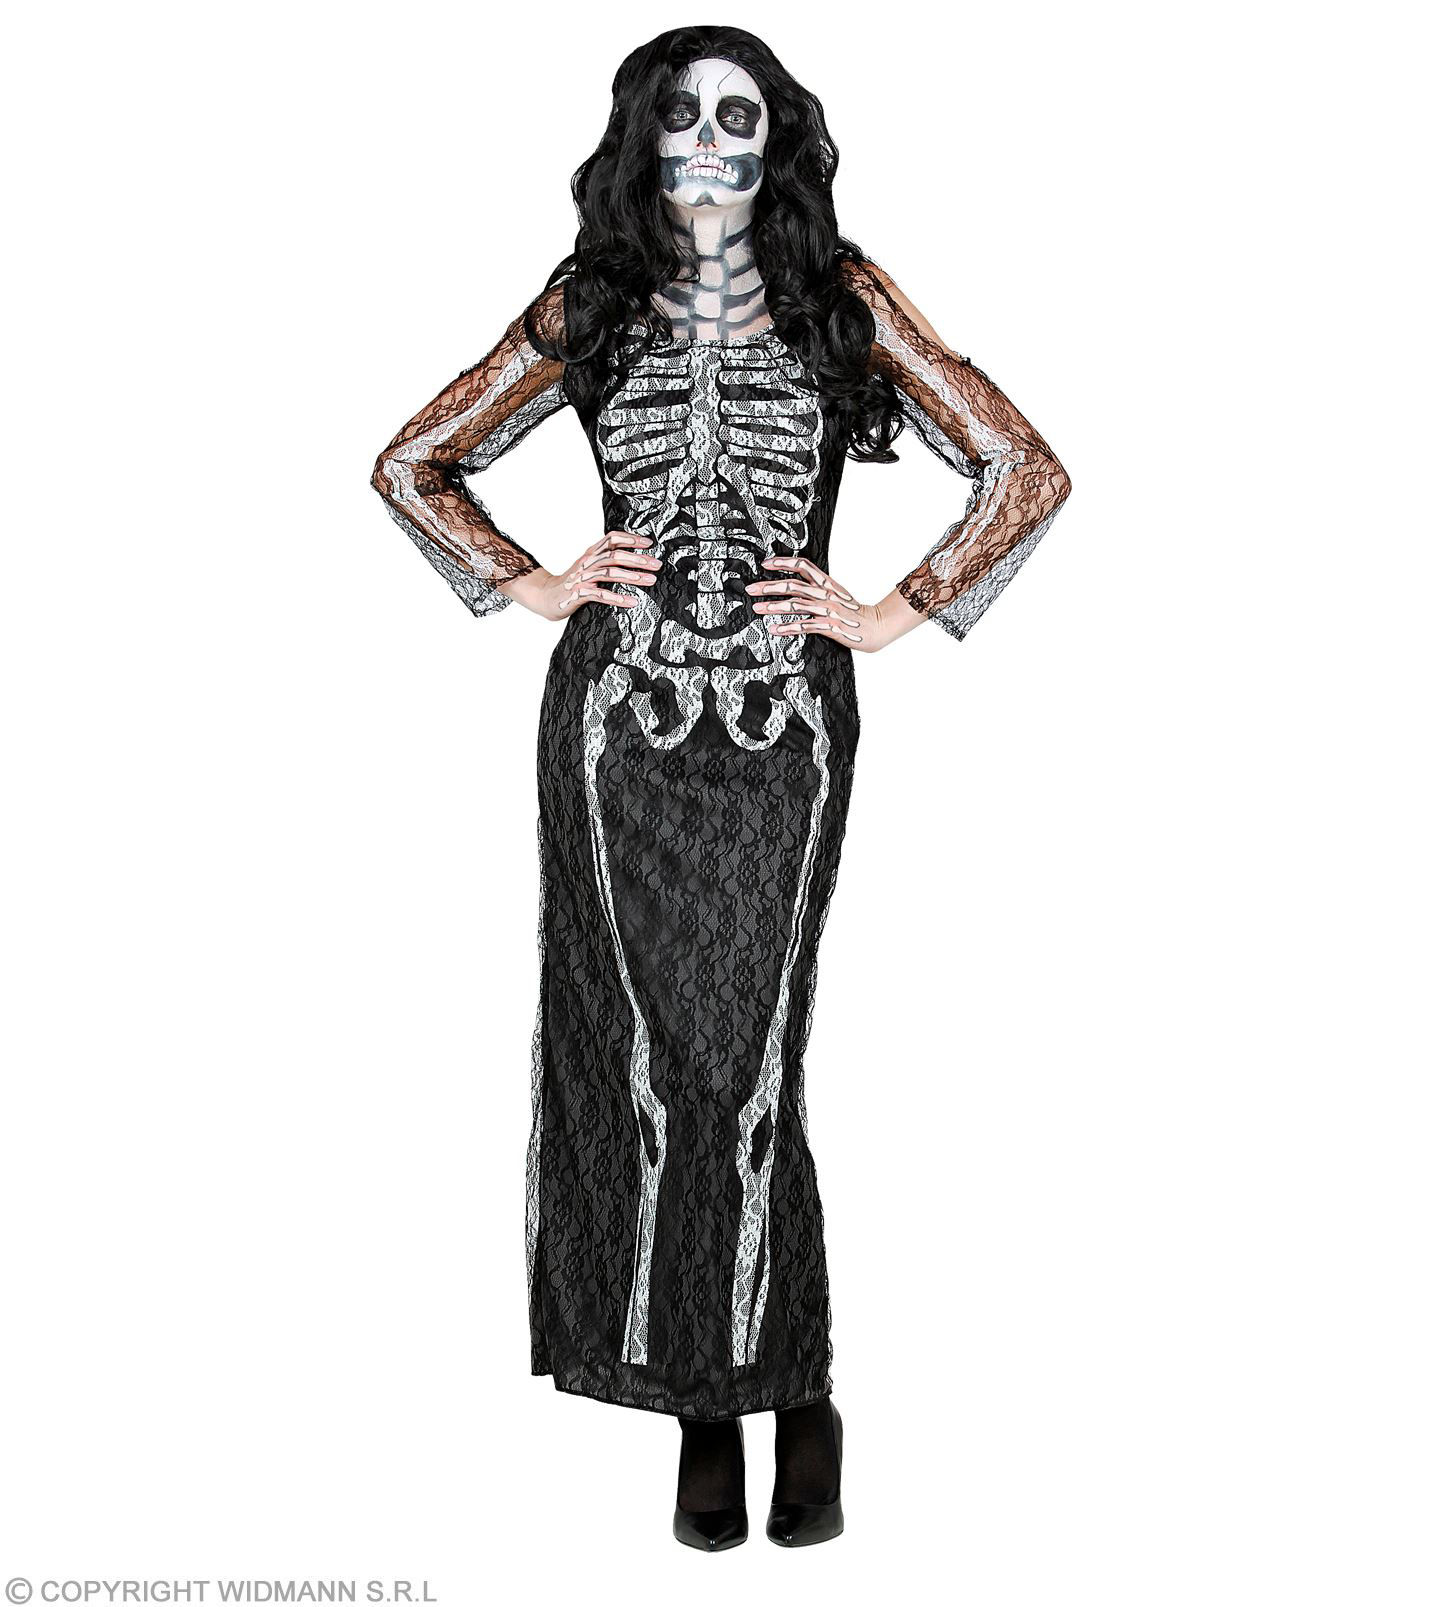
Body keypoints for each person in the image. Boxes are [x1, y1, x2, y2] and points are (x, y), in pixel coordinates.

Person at [370, 24, 1071, 1552]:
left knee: (750, 1069)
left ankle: (792, 1386)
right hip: (614, 721)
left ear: (777, 140)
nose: (705, 138)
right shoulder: (590, 300)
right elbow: (413, 461)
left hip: (780, 726)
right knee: (644, 1062)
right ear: (641, 134)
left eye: (735, 115)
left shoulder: (839, 294)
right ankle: (702, 1400)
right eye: (679, 113)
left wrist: (893, 608)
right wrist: (533, 582)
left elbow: (1022, 467)